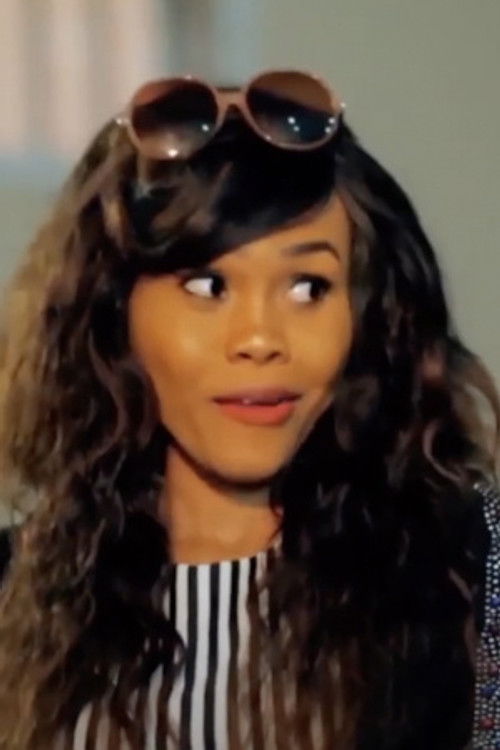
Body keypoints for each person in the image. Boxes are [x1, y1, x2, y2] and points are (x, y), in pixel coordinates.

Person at [0, 69, 498, 750]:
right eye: (209, 286)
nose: (260, 339)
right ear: (114, 313)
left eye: (307, 288)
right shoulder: (11, 595)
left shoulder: (475, 576)